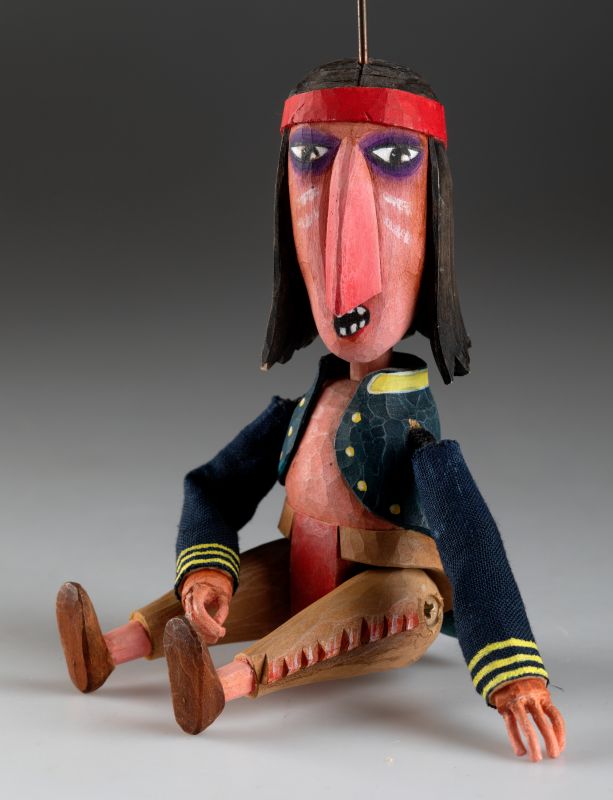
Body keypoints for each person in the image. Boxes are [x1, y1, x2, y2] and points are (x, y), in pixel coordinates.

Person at [57, 58, 565, 761]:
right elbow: (214, 486)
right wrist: (207, 570)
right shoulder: (300, 410)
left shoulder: (417, 440)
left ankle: (223, 686)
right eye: (310, 159)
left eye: (394, 160)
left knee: (400, 603)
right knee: (224, 588)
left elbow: (472, 548)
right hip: (301, 567)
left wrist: (513, 669)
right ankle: (111, 648)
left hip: (388, 598)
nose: (344, 246)